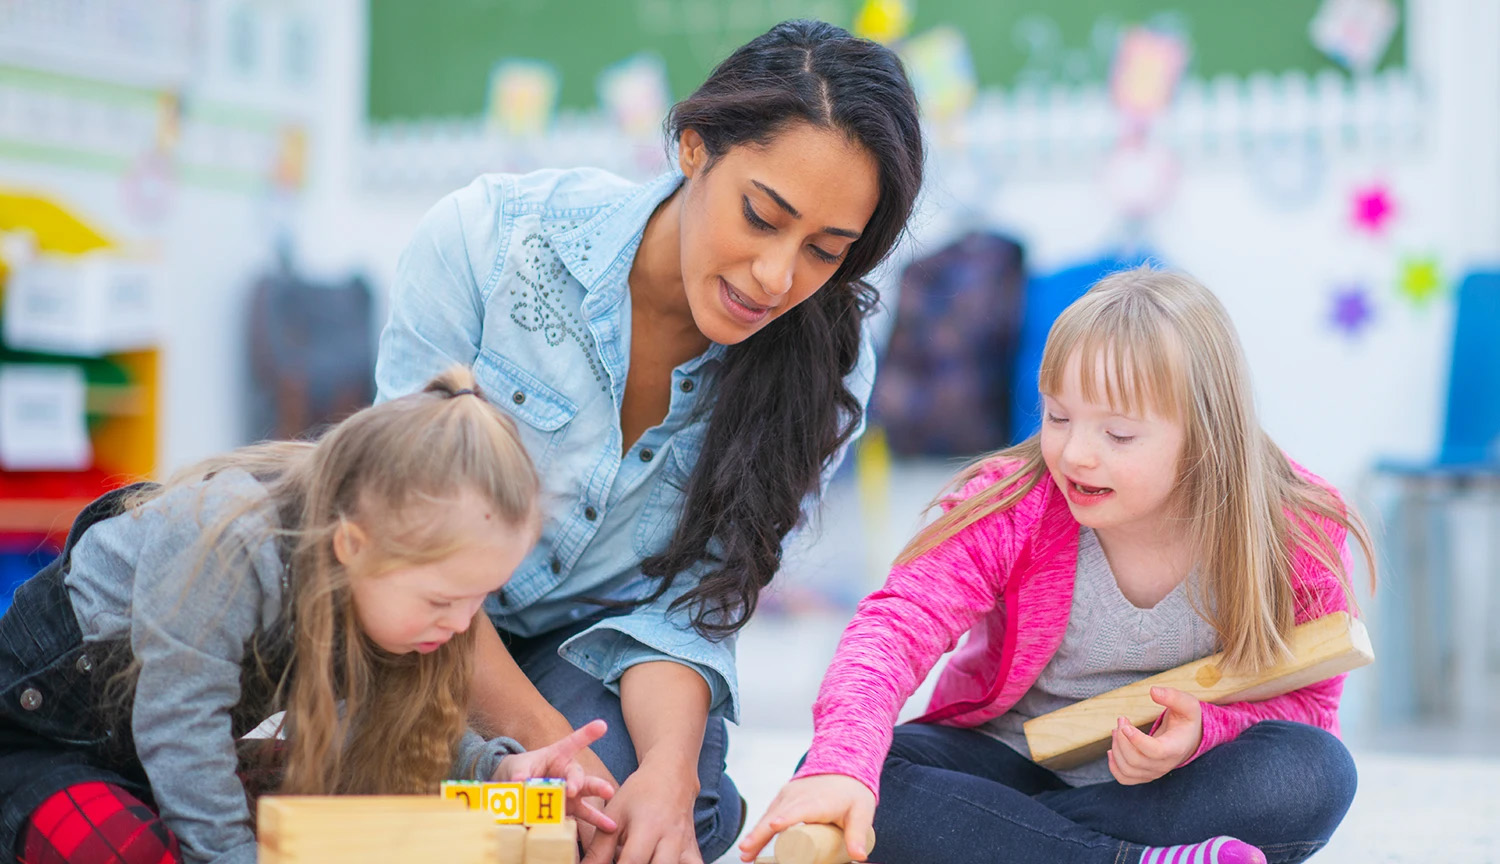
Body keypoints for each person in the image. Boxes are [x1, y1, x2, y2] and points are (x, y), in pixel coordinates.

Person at [375, 19, 924, 863]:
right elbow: (401, 553)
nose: (778, 279)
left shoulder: (825, 368)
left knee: (660, 817)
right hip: (414, 628)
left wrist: (667, 772)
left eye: (824, 251)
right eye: (761, 216)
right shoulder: (489, 244)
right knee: (506, 817)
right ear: (695, 147)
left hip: (594, 655)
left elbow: (688, 608)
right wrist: (563, 753)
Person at [741, 267, 1376, 864]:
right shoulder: (1014, 502)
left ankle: (1009, 841)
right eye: (1058, 417)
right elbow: (898, 624)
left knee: (1314, 772)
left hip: (1174, 786)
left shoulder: (1292, 523)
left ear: (1208, 435)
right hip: (1009, 758)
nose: (1074, 454)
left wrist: (1206, 730)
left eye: (1118, 436)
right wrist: (840, 762)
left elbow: (1309, 702)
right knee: (859, 769)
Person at [0, 368, 614, 864]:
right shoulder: (234, 539)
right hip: (37, 744)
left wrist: (500, 771)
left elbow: (397, 729)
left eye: (480, 600)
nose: (462, 624)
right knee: (139, 851)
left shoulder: (374, 588)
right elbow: (177, 724)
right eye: (443, 600)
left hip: (155, 761)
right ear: (354, 545)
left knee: (349, 804)